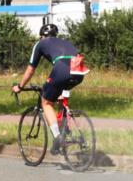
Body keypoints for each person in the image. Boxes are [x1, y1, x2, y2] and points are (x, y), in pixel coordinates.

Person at [12, 23, 88, 154]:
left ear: (42, 36)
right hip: (79, 71)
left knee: (46, 102)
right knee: (59, 95)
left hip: (62, 70)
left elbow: (30, 69)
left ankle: (58, 136)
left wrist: (20, 86)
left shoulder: (40, 43)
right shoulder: (65, 41)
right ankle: (65, 128)